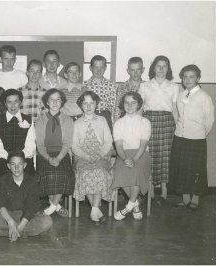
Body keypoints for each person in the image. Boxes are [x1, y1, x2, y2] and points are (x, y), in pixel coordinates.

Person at [169, 65, 214, 210]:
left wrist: (198, 133)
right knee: (182, 168)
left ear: (198, 79)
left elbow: (209, 121)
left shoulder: (204, 97)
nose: (188, 80)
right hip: (180, 137)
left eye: (192, 76)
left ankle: (195, 199)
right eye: (185, 76)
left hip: (196, 139)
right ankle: (185, 198)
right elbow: (178, 116)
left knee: (196, 169)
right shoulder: (181, 95)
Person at [138, 55, 180, 205]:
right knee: (150, 154)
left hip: (167, 123)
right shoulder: (145, 85)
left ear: (168, 69)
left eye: (165, 66)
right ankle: (150, 189)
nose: (161, 69)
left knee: (165, 155)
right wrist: (138, 126)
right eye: (158, 66)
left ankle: (164, 189)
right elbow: (141, 108)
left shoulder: (174, 86)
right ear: (153, 68)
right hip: (149, 121)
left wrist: (178, 128)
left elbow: (175, 109)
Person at [0, 151, 53, 241]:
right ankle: (27, 233)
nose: (16, 168)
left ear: (24, 165)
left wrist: (20, 227)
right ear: (9, 166)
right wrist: (10, 222)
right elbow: (0, 204)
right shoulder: (3, 180)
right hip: (7, 216)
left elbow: (31, 208)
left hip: (27, 217)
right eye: (13, 164)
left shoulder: (32, 181)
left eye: (20, 164)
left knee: (47, 221)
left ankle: (2, 233)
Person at [72, 91, 113, 224]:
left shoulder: (102, 120)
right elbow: (74, 146)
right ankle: (96, 211)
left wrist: (99, 154)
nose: (89, 106)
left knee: (100, 172)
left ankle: (94, 210)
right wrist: (86, 156)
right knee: (84, 174)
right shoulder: (77, 123)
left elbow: (108, 141)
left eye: (92, 103)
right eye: (85, 103)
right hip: (82, 155)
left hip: (101, 153)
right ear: (81, 105)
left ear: (96, 105)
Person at [35, 88, 75, 217]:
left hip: (62, 154)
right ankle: (57, 206)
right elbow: (40, 144)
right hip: (44, 154)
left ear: (62, 102)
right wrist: (48, 158)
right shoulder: (40, 120)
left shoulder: (68, 120)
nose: (55, 102)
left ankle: (51, 207)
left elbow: (67, 143)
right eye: (51, 99)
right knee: (49, 174)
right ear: (47, 102)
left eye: (58, 99)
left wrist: (58, 158)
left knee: (62, 173)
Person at [112, 92, 151, 221]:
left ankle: (128, 206)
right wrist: (124, 159)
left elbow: (143, 145)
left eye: (133, 102)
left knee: (135, 171)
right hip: (124, 154)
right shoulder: (118, 123)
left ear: (139, 104)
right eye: (126, 103)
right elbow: (118, 146)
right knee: (119, 170)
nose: (129, 105)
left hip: (141, 154)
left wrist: (133, 160)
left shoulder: (145, 122)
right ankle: (135, 205)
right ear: (123, 105)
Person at [0, 89, 36, 184]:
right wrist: (10, 159)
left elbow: (31, 145)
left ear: (20, 102)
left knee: (29, 180)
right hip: (3, 159)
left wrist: (19, 160)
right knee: (2, 180)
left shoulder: (28, 120)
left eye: (16, 102)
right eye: (9, 102)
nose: (13, 106)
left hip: (24, 159)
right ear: (5, 103)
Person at [83, 55, 117, 132]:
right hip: (89, 116)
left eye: (101, 67)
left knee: (107, 142)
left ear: (105, 68)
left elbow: (114, 106)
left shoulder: (111, 85)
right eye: (96, 67)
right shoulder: (84, 85)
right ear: (90, 68)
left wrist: (114, 122)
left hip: (106, 116)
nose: (99, 70)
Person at [113, 57, 145, 122]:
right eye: (132, 70)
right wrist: (116, 124)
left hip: (142, 122)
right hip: (125, 122)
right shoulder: (122, 87)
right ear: (128, 71)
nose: (135, 73)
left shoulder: (147, 86)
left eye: (138, 69)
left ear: (142, 70)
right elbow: (117, 109)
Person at [18, 59, 47, 124]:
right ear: (27, 73)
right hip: (23, 128)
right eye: (32, 71)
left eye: (38, 72)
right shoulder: (19, 92)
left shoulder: (46, 93)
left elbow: (47, 114)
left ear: (40, 75)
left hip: (40, 128)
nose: (34, 74)